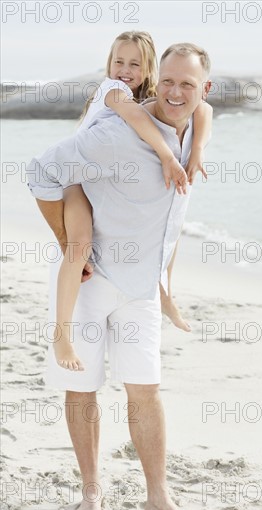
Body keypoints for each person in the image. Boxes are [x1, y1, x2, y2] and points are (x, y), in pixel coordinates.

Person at [27, 42, 212, 510]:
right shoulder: (113, 134)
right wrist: (70, 242)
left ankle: (158, 496)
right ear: (158, 80)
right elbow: (42, 170)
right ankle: (91, 493)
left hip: (140, 289)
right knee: (82, 390)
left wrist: (200, 148)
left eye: (186, 84)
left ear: (203, 89)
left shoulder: (194, 128)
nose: (175, 92)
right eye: (168, 81)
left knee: (146, 391)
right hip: (90, 282)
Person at [53, 31, 212, 371]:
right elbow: (139, 120)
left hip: (103, 178)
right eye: (118, 61)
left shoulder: (159, 96)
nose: (125, 69)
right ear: (108, 65)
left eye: (134, 64)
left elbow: (206, 109)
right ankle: (62, 334)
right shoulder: (115, 91)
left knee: (172, 220)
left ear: (149, 69)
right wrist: (169, 156)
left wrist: (196, 150)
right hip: (78, 179)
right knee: (79, 244)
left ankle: (165, 294)